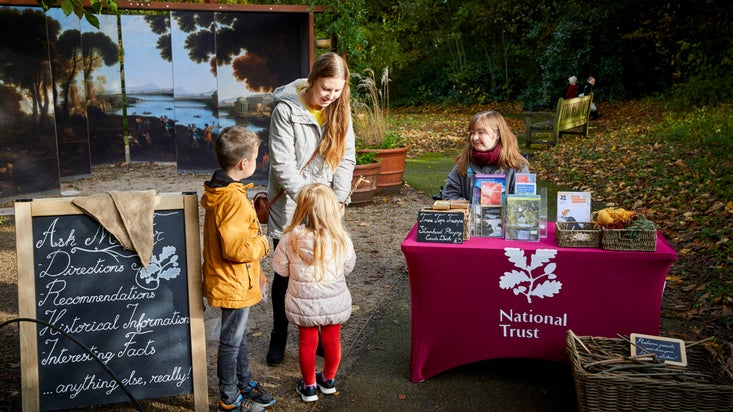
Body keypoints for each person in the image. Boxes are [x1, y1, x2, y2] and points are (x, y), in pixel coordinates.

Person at [265, 52, 356, 366]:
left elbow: (346, 159)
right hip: (292, 203)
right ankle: (280, 334)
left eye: (337, 90)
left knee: (323, 269)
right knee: (286, 272)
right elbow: (282, 165)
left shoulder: (340, 110)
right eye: (325, 89)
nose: (330, 96)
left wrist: (338, 200)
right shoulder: (286, 110)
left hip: (328, 207)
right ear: (313, 79)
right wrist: (310, 201)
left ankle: (316, 333)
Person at [201, 126, 275, 412]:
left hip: (234, 281)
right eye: (256, 157)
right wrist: (263, 244)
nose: (257, 162)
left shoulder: (226, 192)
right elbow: (235, 250)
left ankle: (243, 383)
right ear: (244, 164)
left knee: (238, 334)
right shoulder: (232, 200)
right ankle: (229, 400)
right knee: (231, 340)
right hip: (232, 282)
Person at [271, 183, 356, 403]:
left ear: (301, 209)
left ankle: (309, 386)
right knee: (333, 339)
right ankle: (328, 380)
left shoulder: (290, 238)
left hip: (303, 302)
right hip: (333, 301)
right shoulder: (341, 238)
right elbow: (348, 267)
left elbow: (280, 269)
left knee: (307, 342)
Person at [442, 110, 530, 201]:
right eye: (472, 133)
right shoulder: (464, 162)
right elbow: (449, 195)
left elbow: (524, 203)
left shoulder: (517, 166)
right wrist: (471, 210)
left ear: (497, 134)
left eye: (481, 132)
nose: (475, 137)